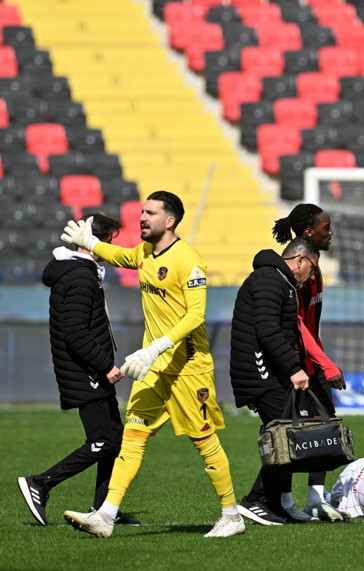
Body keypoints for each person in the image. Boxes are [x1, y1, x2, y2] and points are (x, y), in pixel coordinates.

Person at [59, 191, 244, 538]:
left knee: (204, 441)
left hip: (188, 367)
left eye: (151, 213)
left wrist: (156, 346)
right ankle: (106, 516)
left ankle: (232, 515)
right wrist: (91, 243)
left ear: (170, 221)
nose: (142, 218)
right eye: (142, 212)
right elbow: (122, 255)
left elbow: (196, 315)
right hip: (153, 367)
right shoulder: (145, 252)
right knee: (133, 435)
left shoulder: (188, 260)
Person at [18, 214, 139, 528]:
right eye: (109, 241)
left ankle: (103, 509)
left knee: (115, 437)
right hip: (85, 370)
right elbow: (75, 333)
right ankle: (40, 483)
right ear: (95, 243)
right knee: (102, 440)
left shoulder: (80, 273)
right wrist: (104, 366)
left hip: (87, 368)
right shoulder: (81, 277)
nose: (112, 248)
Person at [231, 236, 348, 525]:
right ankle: (254, 501)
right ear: (300, 260)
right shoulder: (270, 280)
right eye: (313, 268)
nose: (312, 276)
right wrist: (295, 368)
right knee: (287, 434)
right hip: (261, 372)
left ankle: (275, 503)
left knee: (288, 433)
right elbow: (268, 330)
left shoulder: (281, 282)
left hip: (272, 372)